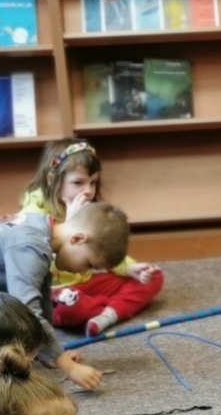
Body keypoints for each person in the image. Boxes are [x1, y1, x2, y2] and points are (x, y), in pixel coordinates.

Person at [0, 201, 128, 391]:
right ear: (78, 239)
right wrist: (68, 366)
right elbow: (27, 311)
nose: (84, 272)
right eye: (89, 264)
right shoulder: (30, 247)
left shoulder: (41, 226)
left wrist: (52, 353)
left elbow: (41, 299)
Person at [21, 139, 164, 336]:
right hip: (55, 290)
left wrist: (129, 268)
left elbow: (101, 249)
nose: (88, 190)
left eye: (93, 182)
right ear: (52, 179)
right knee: (67, 306)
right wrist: (68, 225)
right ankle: (113, 308)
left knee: (153, 277)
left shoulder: (87, 206)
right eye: (78, 182)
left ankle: (107, 313)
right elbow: (34, 266)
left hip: (88, 281)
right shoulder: (33, 215)